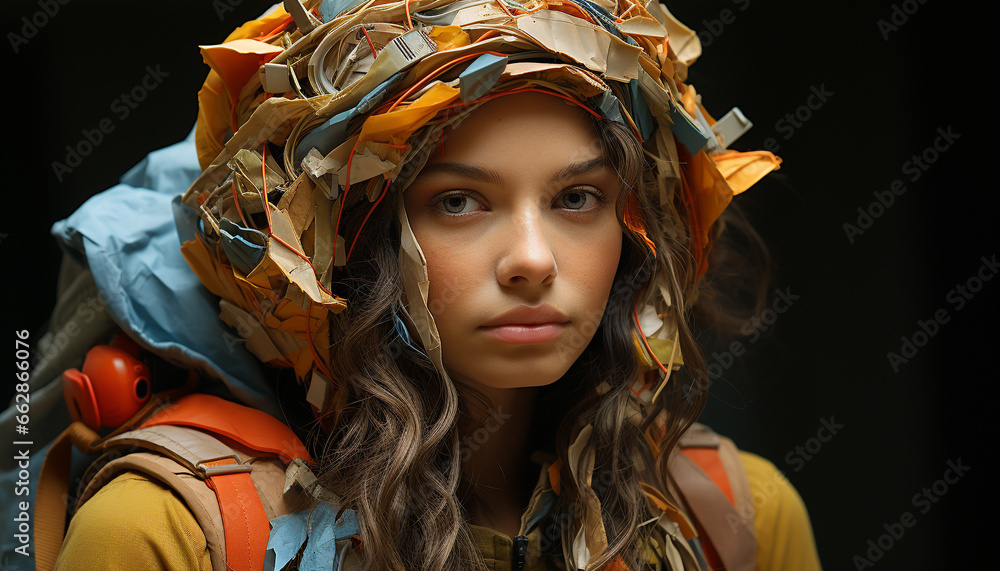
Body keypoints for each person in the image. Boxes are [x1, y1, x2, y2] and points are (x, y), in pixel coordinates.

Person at [40, 0, 820, 569]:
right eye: (458, 201)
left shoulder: (729, 519)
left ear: (636, 224)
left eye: (576, 198)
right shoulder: (172, 531)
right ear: (343, 243)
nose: (533, 259)